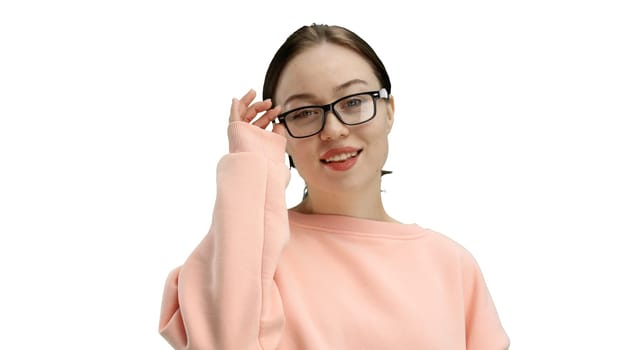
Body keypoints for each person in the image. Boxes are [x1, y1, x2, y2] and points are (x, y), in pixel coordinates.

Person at [158, 23, 510, 349]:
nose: (333, 129)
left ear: (389, 110)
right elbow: (226, 342)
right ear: (280, 134)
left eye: (354, 102)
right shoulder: (250, 250)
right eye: (304, 112)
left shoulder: (452, 265)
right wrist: (250, 168)